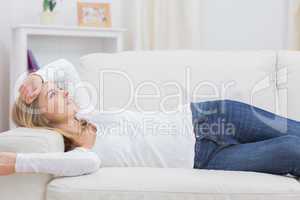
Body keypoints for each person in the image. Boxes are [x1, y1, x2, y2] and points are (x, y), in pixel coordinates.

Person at [2, 59, 300, 178]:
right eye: (53, 96)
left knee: (294, 131)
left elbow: (65, 67)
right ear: (43, 120)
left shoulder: (88, 111)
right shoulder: (84, 155)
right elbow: (82, 164)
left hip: (206, 117)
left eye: (59, 89)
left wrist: (39, 78)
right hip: (206, 159)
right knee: (292, 150)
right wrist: (17, 162)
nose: (64, 93)